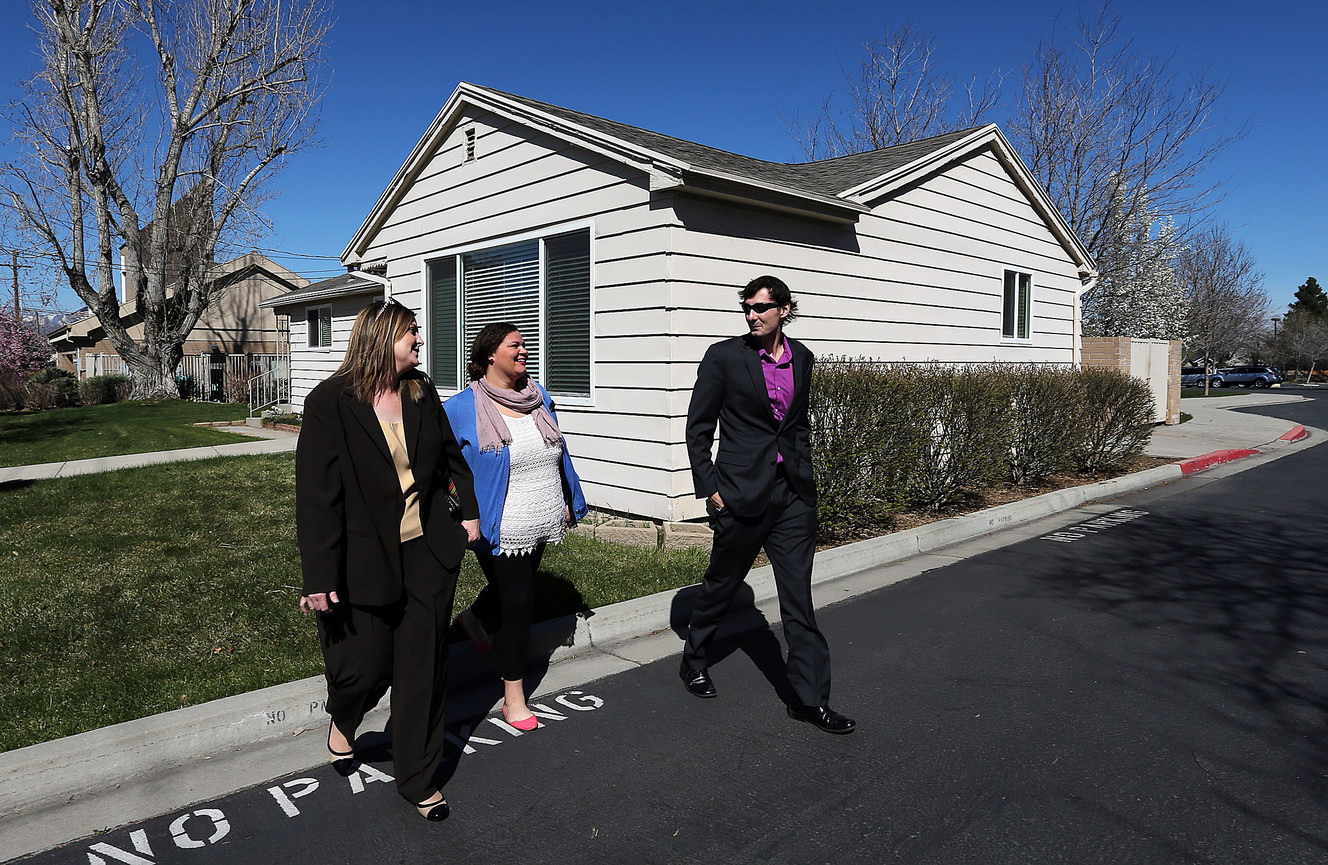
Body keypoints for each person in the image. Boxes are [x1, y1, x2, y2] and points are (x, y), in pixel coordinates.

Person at [296, 298, 480, 821]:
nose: (419, 342)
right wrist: (319, 576)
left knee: (422, 668)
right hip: (363, 559)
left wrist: (466, 511)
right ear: (381, 340)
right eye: (411, 335)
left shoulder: (419, 391)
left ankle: (419, 779)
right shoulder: (330, 402)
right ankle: (345, 717)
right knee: (363, 668)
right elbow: (316, 498)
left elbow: (450, 457)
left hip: (426, 552)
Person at [679, 275, 855, 734]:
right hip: (740, 493)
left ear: (784, 310)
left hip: (792, 494)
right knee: (722, 584)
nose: (753, 315)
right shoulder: (724, 357)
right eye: (748, 308)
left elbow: (795, 427)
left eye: (762, 308)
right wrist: (712, 489)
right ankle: (694, 658)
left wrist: (805, 476)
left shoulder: (803, 357)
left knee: (799, 601)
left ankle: (809, 700)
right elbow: (698, 428)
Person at [444, 323, 588, 731]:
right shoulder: (462, 407)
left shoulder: (539, 396)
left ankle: (472, 619)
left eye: (525, 345)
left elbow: (558, 450)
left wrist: (566, 498)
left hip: (543, 512)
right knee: (519, 602)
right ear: (490, 354)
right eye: (516, 345)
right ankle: (513, 696)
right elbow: (443, 464)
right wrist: (459, 508)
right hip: (500, 524)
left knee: (515, 588)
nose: (525, 351)